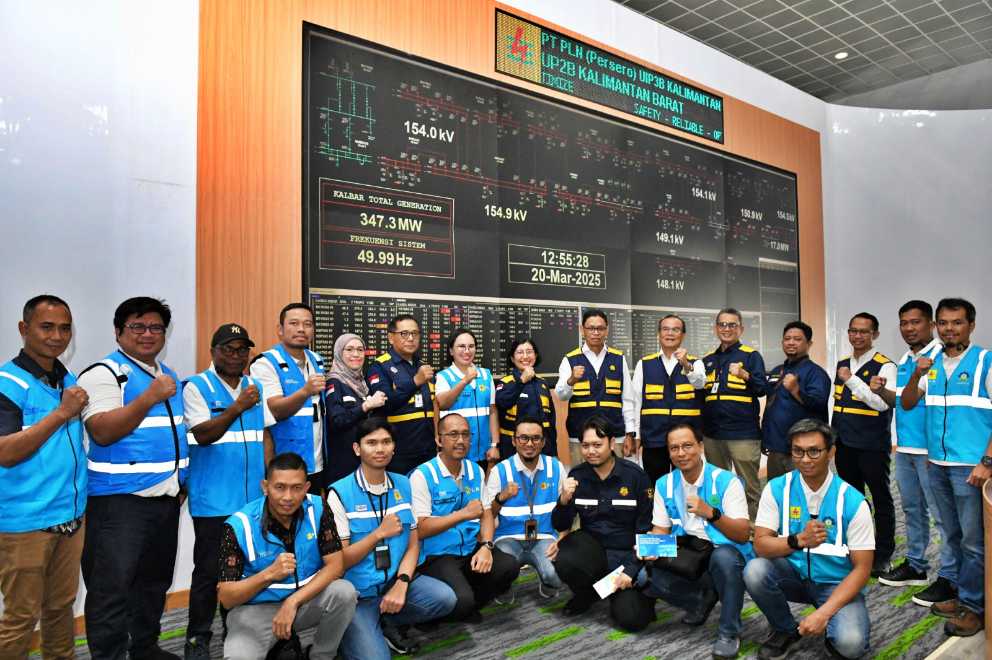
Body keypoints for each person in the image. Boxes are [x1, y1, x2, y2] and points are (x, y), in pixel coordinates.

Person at [77, 296, 188, 660]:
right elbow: (102, 431)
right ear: (118, 331)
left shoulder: (166, 374)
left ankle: (144, 648)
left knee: (153, 583)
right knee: (111, 589)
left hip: (164, 500)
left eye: (156, 327)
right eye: (137, 326)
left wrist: (179, 482)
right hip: (119, 504)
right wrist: (148, 398)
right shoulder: (104, 373)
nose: (148, 334)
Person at [181, 323, 277, 659]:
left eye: (242, 350)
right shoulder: (196, 386)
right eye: (228, 349)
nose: (236, 356)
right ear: (213, 352)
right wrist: (236, 407)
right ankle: (197, 638)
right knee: (210, 573)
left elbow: (265, 434)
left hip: (252, 499)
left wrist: (270, 480)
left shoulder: (254, 386)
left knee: (247, 569)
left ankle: (238, 632)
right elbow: (203, 434)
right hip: (214, 500)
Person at [0, 295, 87, 659]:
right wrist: (62, 413)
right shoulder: (7, 384)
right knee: (21, 618)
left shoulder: (66, 378)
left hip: (69, 517)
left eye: (65, 328)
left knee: (60, 609)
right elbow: (6, 452)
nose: (57, 336)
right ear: (24, 329)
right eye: (46, 327)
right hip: (25, 524)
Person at [327, 418, 456, 659]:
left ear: (394, 447)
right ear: (357, 449)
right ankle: (353, 629)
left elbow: (413, 543)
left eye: (386, 442)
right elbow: (339, 561)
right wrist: (378, 534)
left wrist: (402, 582)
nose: (380, 449)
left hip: (393, 584)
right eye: (371, 443)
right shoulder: (339, 493)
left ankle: (386, 620)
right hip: (359, 595)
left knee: (446, 599)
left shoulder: (404, 484)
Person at [744, 419, 874, 659]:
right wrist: (798, 540)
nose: (805, 459)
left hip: (836, 584)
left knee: (851, 645)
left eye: (814, 451)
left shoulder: (854, 502)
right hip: (793, 575)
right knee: (754, 570)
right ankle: (785, 629)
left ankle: (834, 624)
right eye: (798, 451)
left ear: (831, 452)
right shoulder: (776, 488)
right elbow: (761, 545)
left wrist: (824, 614)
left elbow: (863, 569)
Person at [900, 298, 991, 637]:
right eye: (944, 323)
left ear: (971, 325)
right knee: (952, 536)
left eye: (957, 322)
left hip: (970, 468)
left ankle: (975, 608)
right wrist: (917, 374)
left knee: (973, 542)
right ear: (936, 326)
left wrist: (987, 462)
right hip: (936, 464)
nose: (949, 328)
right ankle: (963, 593)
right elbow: (908, 402)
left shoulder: (985, 361)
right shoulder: (933, 363)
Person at [219, 452, 358, 659]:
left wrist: (292, 602)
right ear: (265, 487)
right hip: (256, 610)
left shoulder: (318, 507)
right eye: (280, 487)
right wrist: (269, 574)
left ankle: (321, 656)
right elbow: (226, 598)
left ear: (307, 487)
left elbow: (336, 566)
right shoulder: (238, 525)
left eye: (297, 488)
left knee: (344, 592)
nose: (288, 497)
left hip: (304, 601)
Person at [645, 423, 753, 659]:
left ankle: (729, 631)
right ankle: (700, 600)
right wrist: (650, 547)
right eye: (674, 448)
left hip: (723, 551)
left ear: (701, 447)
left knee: (724, 559)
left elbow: (743, 534)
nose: (681, 453)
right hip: (688, 552)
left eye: (687, 446)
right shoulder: (664, 484)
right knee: (643, 575)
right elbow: (661, 529)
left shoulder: (726, 481)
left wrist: (711, 513)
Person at [878, 301, 953, 606]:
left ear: (931, 325)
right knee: (912, 510)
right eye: (904, 323)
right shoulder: (906, 358)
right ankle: (917, 565)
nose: (909, 328)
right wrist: (880, 390)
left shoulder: (940, 356)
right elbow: (902, 402)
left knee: (942, 517)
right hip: (906, 448)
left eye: (915, 322)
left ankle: (950, 577)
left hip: (932, 451)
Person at [411, 414, 520, 622]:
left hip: (470, 547)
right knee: (461, 600)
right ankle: (453, 608)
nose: (460, 440)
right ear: (439, 439)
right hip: (437, 554)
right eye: (453, 434)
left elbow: (486, 513)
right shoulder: (422, 475)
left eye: (465, 435)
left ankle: (469, 602)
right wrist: (462, 514)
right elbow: (421, 528)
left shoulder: (475, 470)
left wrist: (487, 546)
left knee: (509, 566)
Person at [551, 416, 655, 631]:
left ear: (611, 443)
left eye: (597, 445)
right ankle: (587, 593)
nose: (591, 451)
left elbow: (646, 531)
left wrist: (630, 570)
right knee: (565, 557)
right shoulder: (577, 475)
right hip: (593, 554)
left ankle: (618, 591)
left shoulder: (636, 476)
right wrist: (563, 500)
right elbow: (560, 524)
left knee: (633, 619)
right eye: (585, 445)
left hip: (627, 556)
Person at [831, 312, 896, 576]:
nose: (857, 336)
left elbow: (882, 404)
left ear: (874, 334)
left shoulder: (885, 366)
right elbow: (838, 404)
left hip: (872, 445)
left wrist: (851, 379)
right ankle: (857, 546)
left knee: (880, 499)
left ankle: (883, 554)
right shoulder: (843, 363)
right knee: (852, 500)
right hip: (845, 443)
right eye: (853, 330)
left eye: (863, 331)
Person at [484, 417, 568, 599]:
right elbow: (487, 516)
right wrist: (501, 498)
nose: (530, 444)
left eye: (536, 438)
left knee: (557, 574)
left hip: (544, 538)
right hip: (508, 539)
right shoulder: (500, 471)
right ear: (514, 441)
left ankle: (547, 582)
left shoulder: (555, 467)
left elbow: (566, 511)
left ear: (543, 442)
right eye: (523, 438)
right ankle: (504, 587)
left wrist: (562, 539)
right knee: (499, 571)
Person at [250, 303, 328, 493]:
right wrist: (305, 391)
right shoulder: (265, 363)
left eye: (307, 324)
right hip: (284, 465)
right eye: (294, 323)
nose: (301, 329)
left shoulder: (317, 360)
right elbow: (275, 410)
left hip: (317, 461)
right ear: (280, 330)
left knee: (313, 510)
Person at [701, 308, 768, 520]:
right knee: (717, 487)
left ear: (741, 329)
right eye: (722, 324)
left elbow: (762, 389)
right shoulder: (708, 359)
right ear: (716, 328)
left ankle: (752, 531)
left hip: (743, 434)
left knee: (749, 488)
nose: (727, 329)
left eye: (732, 325)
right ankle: (721, 529)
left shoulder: (750, 356)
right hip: (713, 435)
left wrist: (745, 374)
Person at [630, 314, 706, 482]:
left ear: (683, 335)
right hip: (654, 438)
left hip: (685, 441)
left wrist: (686, 364)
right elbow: (637, 402)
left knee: (688, 484)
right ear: (658, 334)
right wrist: (636, 435)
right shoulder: (644, 364)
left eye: (675, 329)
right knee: (655, 484)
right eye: (665, 329)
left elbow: (700, 383)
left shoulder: (695, 363)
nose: (670, 333)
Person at [555, 309, 635, 466]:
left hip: (614, 436)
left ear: (607, 330)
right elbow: (561, 395)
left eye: (600, 328)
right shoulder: (570, 359)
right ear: (582, 329)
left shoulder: (618, 359)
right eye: (591, 328)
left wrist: (630, 433)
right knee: (583, 479)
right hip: (580, 437)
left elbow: (627, 399)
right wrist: (571, 380)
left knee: (615, 478)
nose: (596, 332)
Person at [367, 314, 436, 474]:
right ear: (391, 338)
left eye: (415, 333)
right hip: (398, 452)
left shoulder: (422, 365)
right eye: (404, 334)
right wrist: (415, 382)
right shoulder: (380, 366)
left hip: (428, 449)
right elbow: (385, 404)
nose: (411, 338)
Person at [762, 321, 831, 481]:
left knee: (804, 491)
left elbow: (818, 404)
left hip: (803, 450)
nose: (791, 342)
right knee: (777, 490)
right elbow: (771, 405)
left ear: (809, 344)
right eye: (787, 339)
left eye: (797, 339)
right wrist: (766, 439)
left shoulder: (816, 373)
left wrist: (795, 390)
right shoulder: (777, 370)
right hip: (776, 448)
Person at [324, 333, 386, 485]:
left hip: (365, 462)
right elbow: (337, 421)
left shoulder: (363, 383)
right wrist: (366, 406)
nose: (356, 354)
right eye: (349, 349)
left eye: (360, 349)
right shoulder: (334, 382)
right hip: (343, 465)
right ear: (339, 353)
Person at [435, 328, 498, 467]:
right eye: (461, 346)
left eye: (471, 346)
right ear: (451, 351)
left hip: (485, 451)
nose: (467, 351)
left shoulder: (486, 375)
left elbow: (492, 411)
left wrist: (494, 444)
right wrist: (465, 380)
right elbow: (443, 404)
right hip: (456, 451)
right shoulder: (444, 377)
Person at [495, 337, 558, 460]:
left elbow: (550, 420)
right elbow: (502, 403)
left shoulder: (543, 383)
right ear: (512, 358)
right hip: (512, 449)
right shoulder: (505, 383)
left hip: (544, 448)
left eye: (529, 352)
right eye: (520, 352)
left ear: (535, 355)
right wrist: (522, 380)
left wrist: (554, 452)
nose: (525, 356)